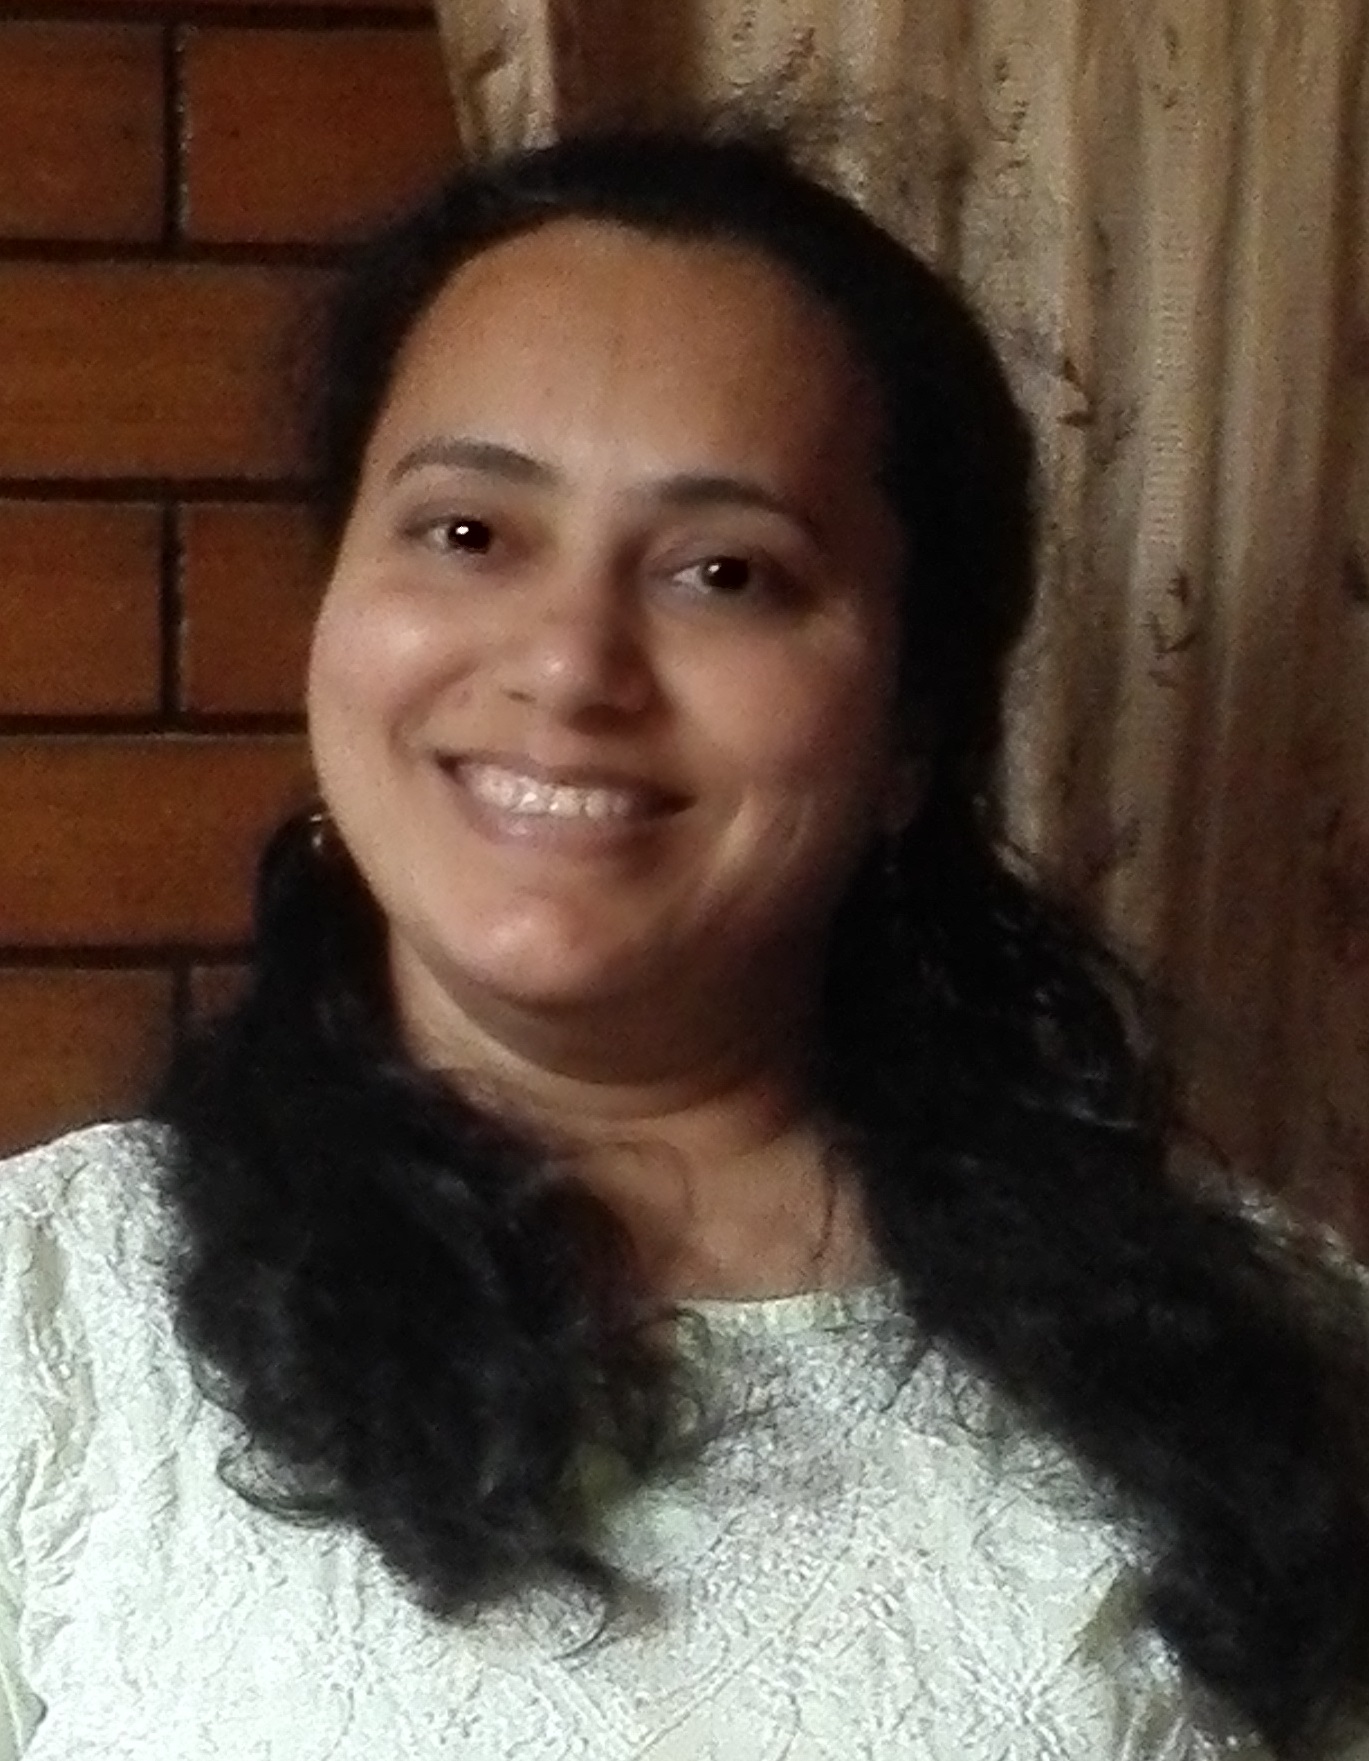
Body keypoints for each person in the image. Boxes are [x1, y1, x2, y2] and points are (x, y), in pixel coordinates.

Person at [3, 119, 1369, 1761]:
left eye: (724, 572)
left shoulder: (1285, 1376)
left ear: (911, 727)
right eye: (467, 532)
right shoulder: (48, 1322)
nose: (570, 663)